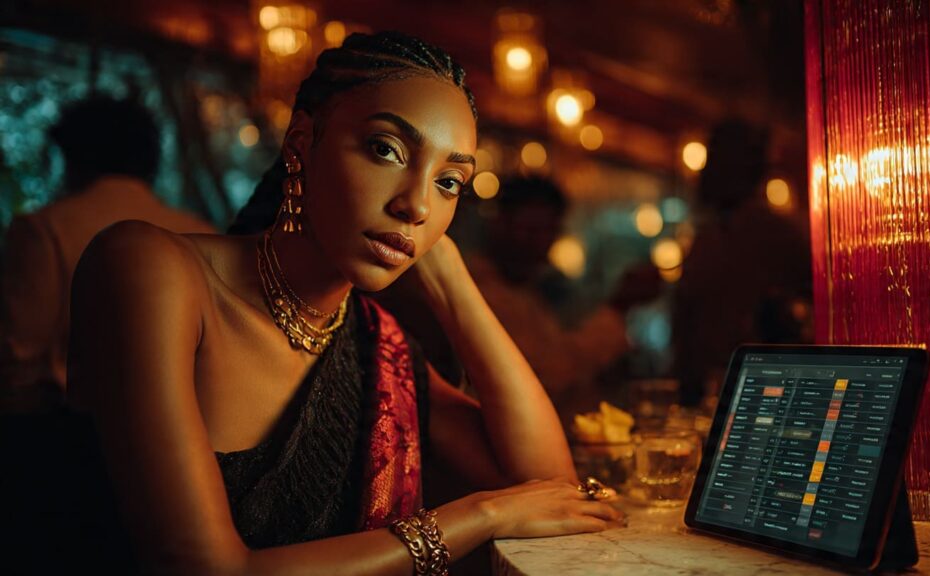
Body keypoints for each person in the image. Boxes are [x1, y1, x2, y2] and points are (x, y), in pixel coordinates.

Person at [61, 32, 623, 575]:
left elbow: (551, 489)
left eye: (450, 182)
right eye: (387, 150)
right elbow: (203, 567)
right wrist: (480, 515)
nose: (416, 205)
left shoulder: (375, 343)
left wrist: (451, 280)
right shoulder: (150, 269)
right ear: (301, 141)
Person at [0, 95, 215, 412]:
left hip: (66, 436)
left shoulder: (45, 229)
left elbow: (18, 355)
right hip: (188, 426)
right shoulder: (202, 234)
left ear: (74, 156)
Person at [462, 176, 660, 423]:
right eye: (530, 229)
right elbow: (548, 374)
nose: (539, 243)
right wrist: (619, 306)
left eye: (549, 231)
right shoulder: (476, 289)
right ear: (499, 223)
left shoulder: (534, 287)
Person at [671, 119, 812, 406]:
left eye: (721, 158)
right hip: (708, 390)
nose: (709, 170)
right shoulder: (710, 234)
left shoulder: (775, 235)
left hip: (760, 390)